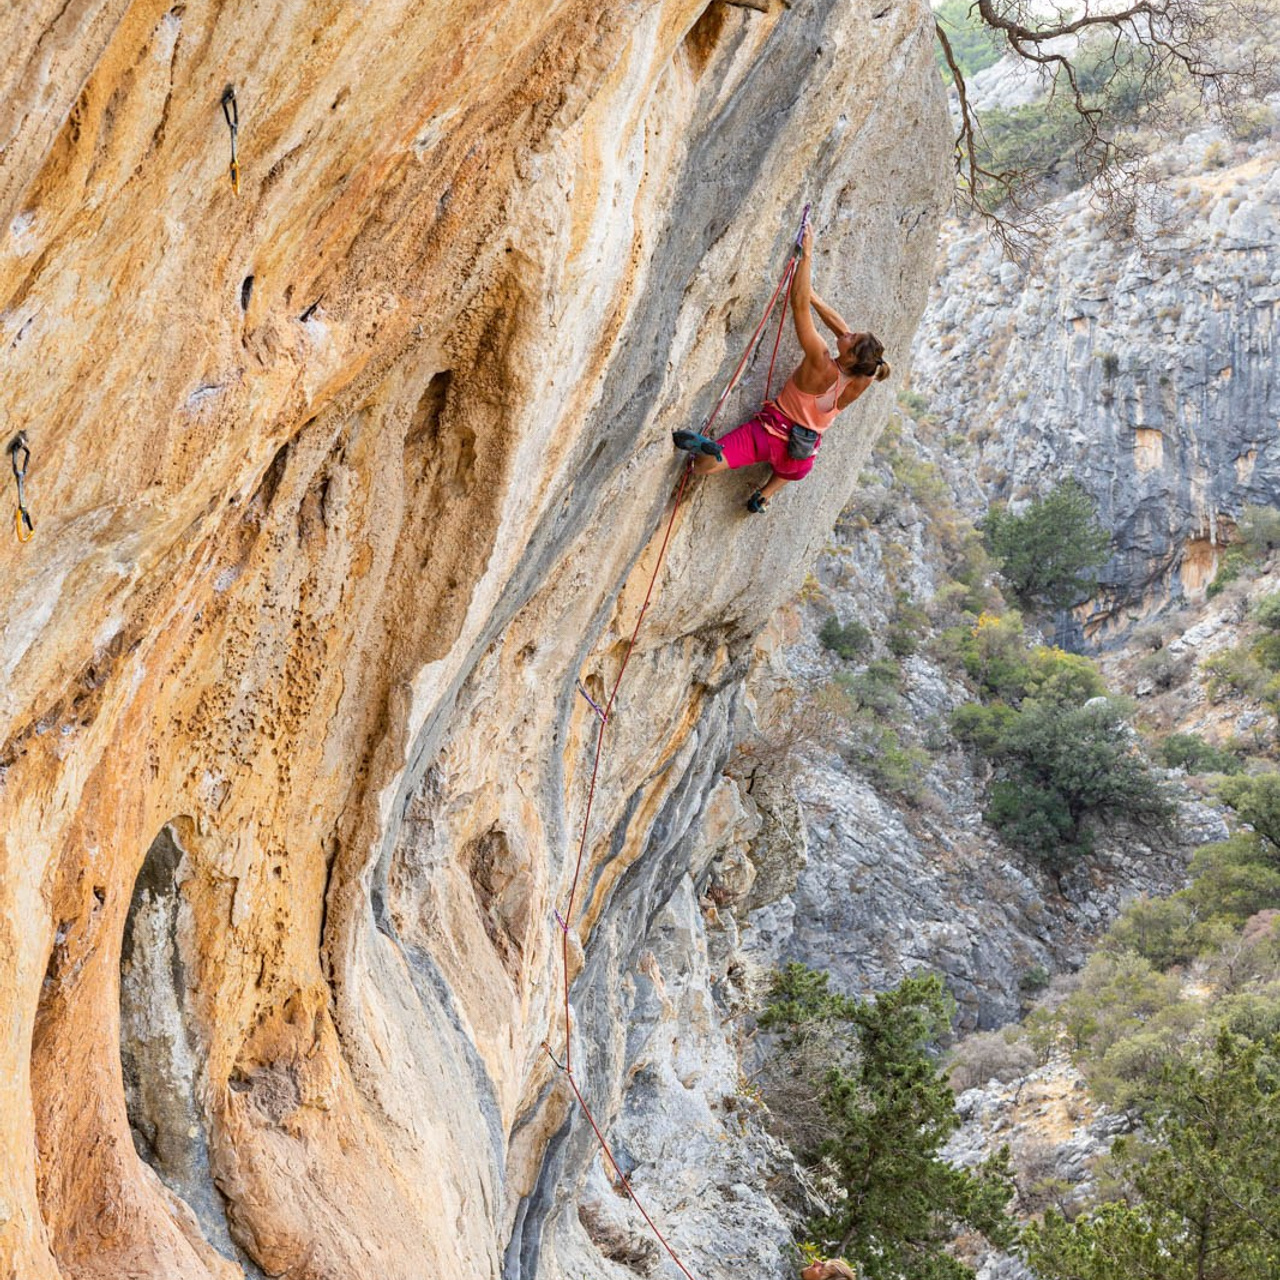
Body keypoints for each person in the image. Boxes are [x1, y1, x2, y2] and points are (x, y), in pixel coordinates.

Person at [673, 225, 891, 514]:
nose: (846, 333)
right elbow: (842, 330)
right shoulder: (865, 376)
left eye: (852, 339)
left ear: (851, 356)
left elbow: (798, 306)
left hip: (766, 435)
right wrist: (815, 297)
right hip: (800, 455)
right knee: (790, 473)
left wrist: (807, 256)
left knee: (700, 467)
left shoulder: (820, 361)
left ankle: (711, 453)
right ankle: (763, 496)